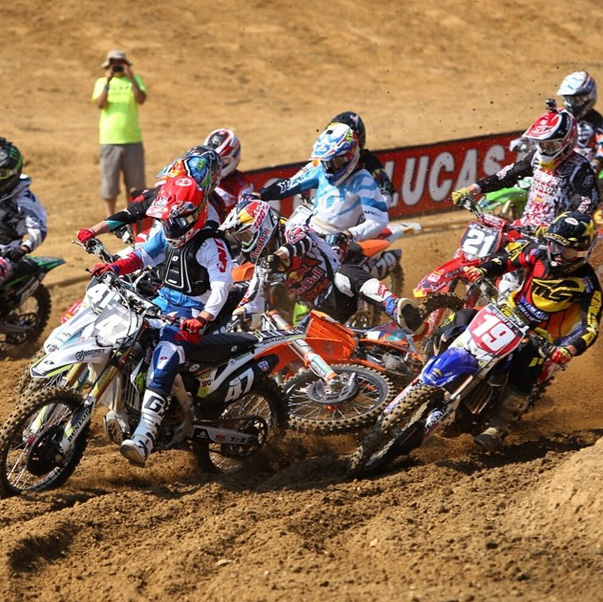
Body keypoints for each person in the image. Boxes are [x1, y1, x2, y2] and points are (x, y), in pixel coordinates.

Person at [91, 169, 233, 467]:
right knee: (121, 337)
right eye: (167, 219)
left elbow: (223, 285)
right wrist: (114, 268)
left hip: (190, 315)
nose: (171, 225)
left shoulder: (211, 244)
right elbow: (141, 255)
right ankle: (123, 406)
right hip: (161, 302)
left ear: (196, 215)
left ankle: (145, 435)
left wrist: (204, 317)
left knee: (163, 361)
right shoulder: (169, 232)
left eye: (178, 219)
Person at [462, 211, 601, 452]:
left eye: (565, 250)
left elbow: (590, 325)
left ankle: (498, 426)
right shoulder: (538, 252)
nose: (556, 253)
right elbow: (506, 259)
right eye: (554, 244)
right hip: (508, 313)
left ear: (581, 252)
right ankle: (426, 362)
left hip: (543, 339)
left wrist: (568, 348)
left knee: (528, 360)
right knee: (465, 317)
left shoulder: (588, 283)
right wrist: (483, 270)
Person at [219, 198, 422, 333]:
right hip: (320, 312)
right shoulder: (263, 264)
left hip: (340, 290)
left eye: (245, 235)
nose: (244, 243)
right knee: (294, 339)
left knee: (345, 274)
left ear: (262, 226)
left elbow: (301, 241)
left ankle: (395, 307)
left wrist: (280, 255)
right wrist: (238, 317)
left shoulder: (293, 229)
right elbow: (253, 297)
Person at [451, 103, 600, 232]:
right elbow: (508, 174)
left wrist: (560, 228)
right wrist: (472, 189)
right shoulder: (535, 156)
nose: (545, 149)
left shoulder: (579, 168)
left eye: (551, 145)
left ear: (567, 141)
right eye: (542, 144)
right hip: (525, 228)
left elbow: (588, 203)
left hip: (554, 240)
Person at [76, 146, 223, 243]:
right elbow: (128, 214)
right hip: (150, 249)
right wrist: (92, 231)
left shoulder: (212, 214)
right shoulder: (163, 191)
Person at [292, 111, 396, 208]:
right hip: (325, 212)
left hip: (355, 219)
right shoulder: (325, 160)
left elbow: (386, 192)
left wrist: (368, 213)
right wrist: (298, 187)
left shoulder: (368, 162)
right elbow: (303, 173)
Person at [92, 50, 147, 217]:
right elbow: (100, 104)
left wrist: (131, 79)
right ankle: (111, 219)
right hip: (110, 140)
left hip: (133, 139)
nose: (117, 66)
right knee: (109, 184)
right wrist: (108, 81)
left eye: (120, 63)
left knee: (137, 185)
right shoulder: (102, 82)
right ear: (108, 66)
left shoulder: (135, 80)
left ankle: (136, 218)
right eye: (114, 63)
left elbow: (141, 99)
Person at [0, 138, 48, 286]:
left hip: (8, 252)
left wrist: (23, 249)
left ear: (14, 172)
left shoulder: (24, 199)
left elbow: (39, 228)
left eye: (2, 173)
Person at [557, 70, 603, 178]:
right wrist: (526, 140)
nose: (573, 104)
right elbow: (546, 132)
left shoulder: (596, 121)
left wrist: (598, 161)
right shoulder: (561, 117)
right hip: (561, 166)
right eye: (569, 99)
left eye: (577, 100)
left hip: (588, 171)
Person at [203, 128, 254, 220]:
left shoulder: (242, 185)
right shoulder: (197, 174)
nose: (214, 167)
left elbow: (247, 216)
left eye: (221, 162)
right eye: (210, 161)